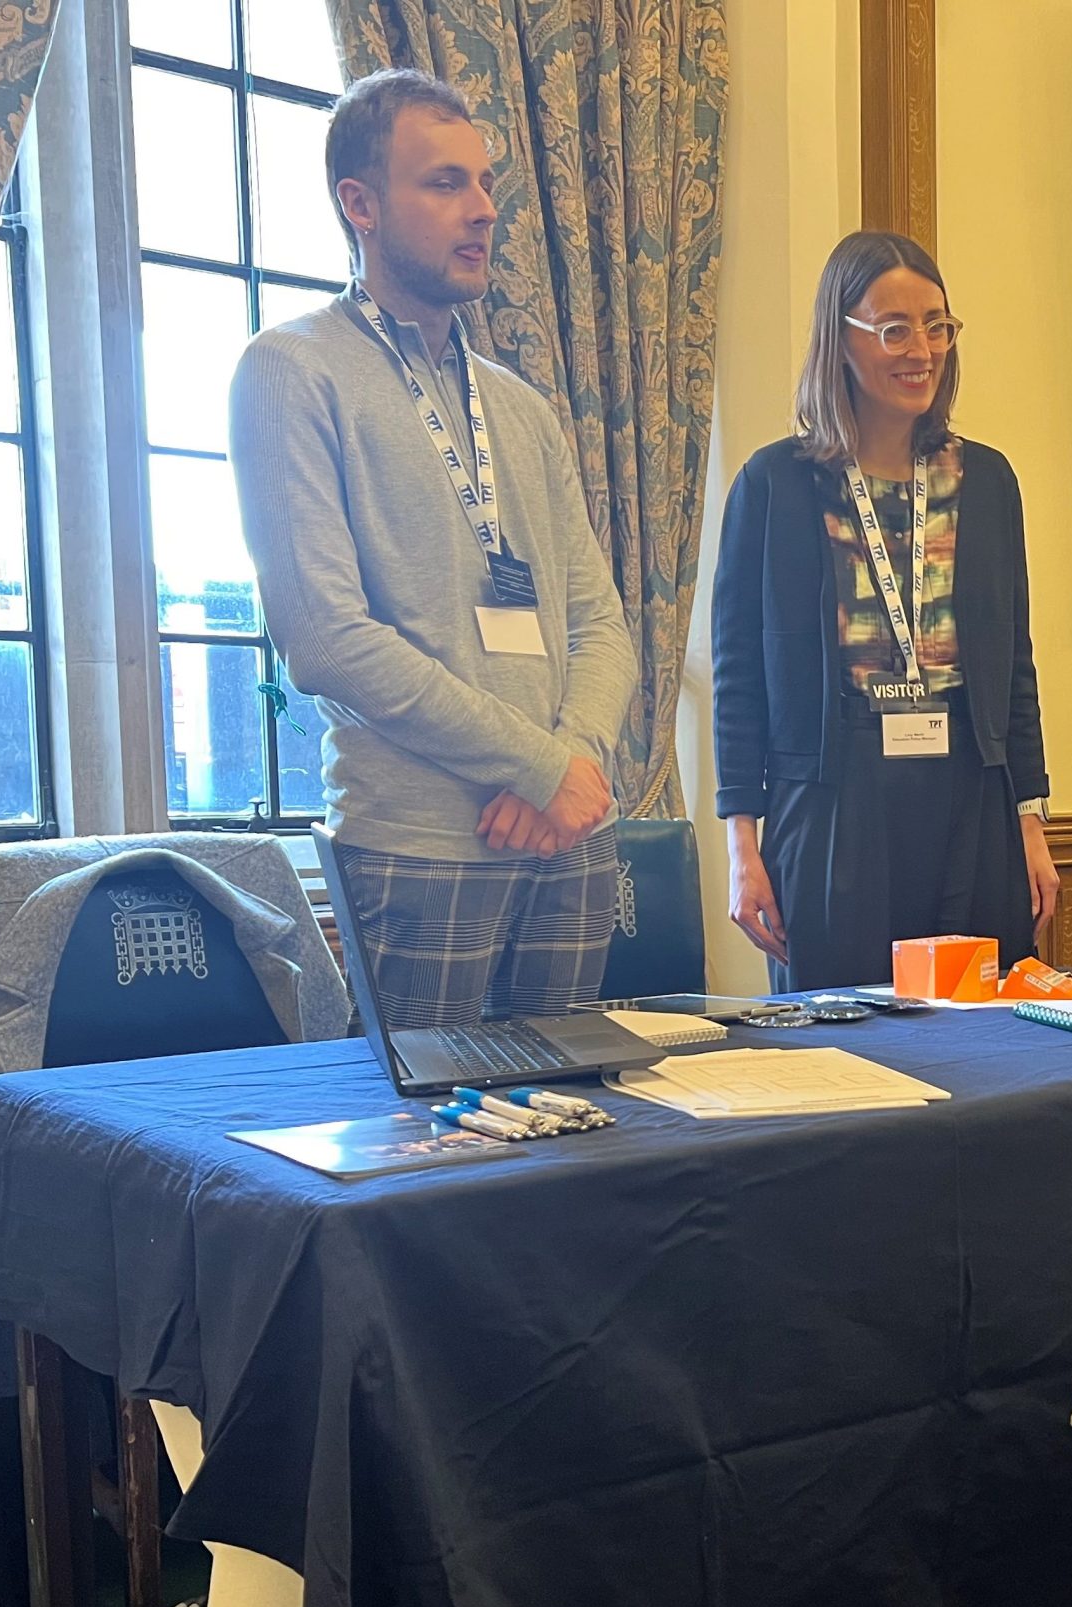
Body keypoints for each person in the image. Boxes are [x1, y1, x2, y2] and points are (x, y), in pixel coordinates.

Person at [229, 69, 636, 1026]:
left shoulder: (523, 408)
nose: (484, 210)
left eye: (487, 184)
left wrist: (568, 766)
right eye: (446, 183)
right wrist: (543, 769)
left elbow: (600, 622)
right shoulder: (291, 372)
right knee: (433, 1158)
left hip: (568, 835)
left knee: (572, 1150)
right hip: (419, 847)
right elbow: (328, 641)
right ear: (360, 204)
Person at [710, 231, 1057, 992]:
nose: (922, 350)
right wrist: (743, 847)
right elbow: (738, 681)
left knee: (982, 1040)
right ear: (839, 340)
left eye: (937, 326)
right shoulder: (774, 485)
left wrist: (1029, 822)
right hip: (834, 797)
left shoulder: (988, 482)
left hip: (970, 788)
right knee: (843, 1048)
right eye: (895, 328)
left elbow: (1014, 670)